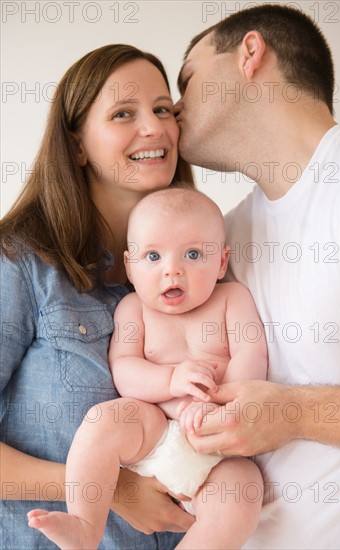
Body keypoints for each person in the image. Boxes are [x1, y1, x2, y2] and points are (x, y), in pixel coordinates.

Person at [174, 3, 340, 549]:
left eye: (187, 79)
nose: (174, 106)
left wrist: (296, 413)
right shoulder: (219, 244)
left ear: (250, 53)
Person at [0, 43, 197, 550]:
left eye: (162, 109)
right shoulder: (19, 261)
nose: (153, 128)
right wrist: (110, 486)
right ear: (78, 145)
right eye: (123, 114)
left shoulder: (202, 264)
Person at [27, 187, 268, 550]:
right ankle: (83, 525)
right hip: (153, 430)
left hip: (219, 447)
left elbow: (252, 354)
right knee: (102, 422)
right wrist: (171, 380)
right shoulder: (133, 308)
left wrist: (221, 402)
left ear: (221, 261)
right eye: (153, 255)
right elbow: (124, 368)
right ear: (130, 266)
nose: (172, 269)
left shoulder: (232, 299)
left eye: (193, 254)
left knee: (244, 491)